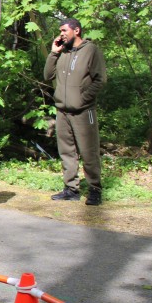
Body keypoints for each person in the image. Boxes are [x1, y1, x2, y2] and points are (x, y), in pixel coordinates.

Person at [45, 17, 107, 205]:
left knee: (89, 152)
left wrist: (82, 99)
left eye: (64, 30)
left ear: (77, 30)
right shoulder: (62, 52)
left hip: (84, 111)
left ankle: (95, 189)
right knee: (67, 152)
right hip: (62, 111)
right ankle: (71, 189)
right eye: (60, 31)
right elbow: (48, 75)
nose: (61, 34)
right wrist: (53, 53)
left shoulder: (91, 50)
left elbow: (100, 80)